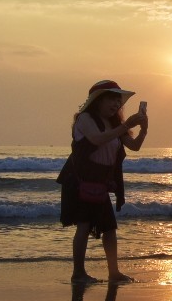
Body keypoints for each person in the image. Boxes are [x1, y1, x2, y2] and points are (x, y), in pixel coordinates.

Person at [58, 79, 148, 284]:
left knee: (109, 227)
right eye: (111, 99)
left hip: (99, 182)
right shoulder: (85, 118)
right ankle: (78, 273)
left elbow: (134, 146)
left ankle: (114, 273)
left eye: (119, 101)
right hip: (79, 180)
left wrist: (143, 128)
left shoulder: (115, 123)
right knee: (83, 225)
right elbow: (97, 139)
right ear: (97, 100)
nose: (116, 104)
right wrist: (126, 125)